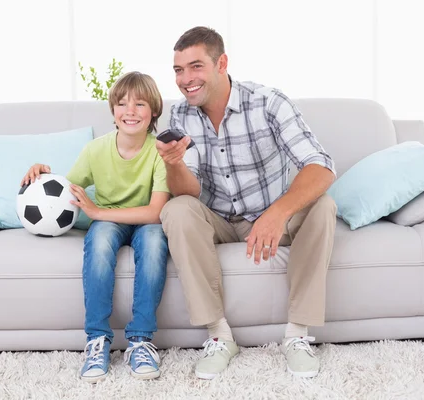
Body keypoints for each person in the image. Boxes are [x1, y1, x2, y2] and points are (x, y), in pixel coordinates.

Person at [156, 26, 337, 380]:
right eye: (179, 70)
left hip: (272, 213)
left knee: (323, 205)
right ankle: (219, 336)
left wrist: (277, 213)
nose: (185, 79)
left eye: (196, 67)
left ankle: (297, 334)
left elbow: (321, 167)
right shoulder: (180, 116)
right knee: (175, 210)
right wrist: (173, 163)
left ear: (221, 63)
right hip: (219, 219)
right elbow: (187, 192)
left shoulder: (268, 102)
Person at [21, 72, 170, 383]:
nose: (130, 111)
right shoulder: (95, 150)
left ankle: (141, 340)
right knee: (99, 239)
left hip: (145, 221)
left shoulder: (160, 152)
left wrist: (98, 210)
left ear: (154, 111)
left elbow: (156, 213)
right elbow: (66, 190)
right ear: (113, 111)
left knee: (155, 242)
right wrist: (45, 173)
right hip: (109, 222)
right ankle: (97, 340)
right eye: (123, 104)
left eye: (140, 104)